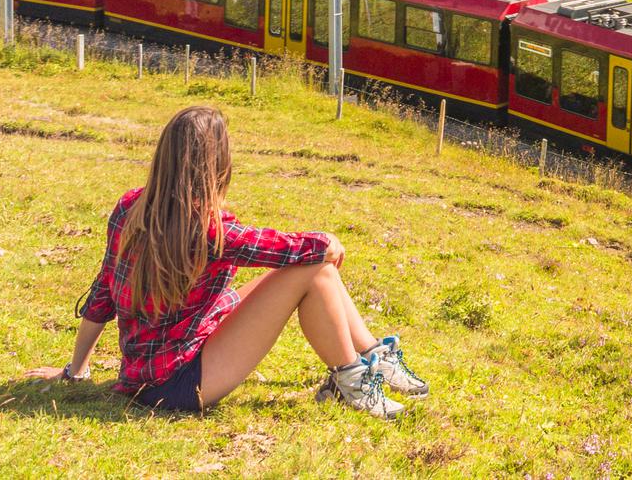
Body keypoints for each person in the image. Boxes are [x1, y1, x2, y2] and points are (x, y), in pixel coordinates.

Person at [25, 103, 426, 417]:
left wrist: (75, 369)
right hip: (179, 385)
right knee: (316, 271)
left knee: (311, 269)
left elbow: (102, 293)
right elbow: (297, 249)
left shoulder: (130, 208)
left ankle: (373, 358)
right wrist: (330, 241)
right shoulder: (211, 230)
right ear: (217, 165)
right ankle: (353, 382)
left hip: (152, 370)